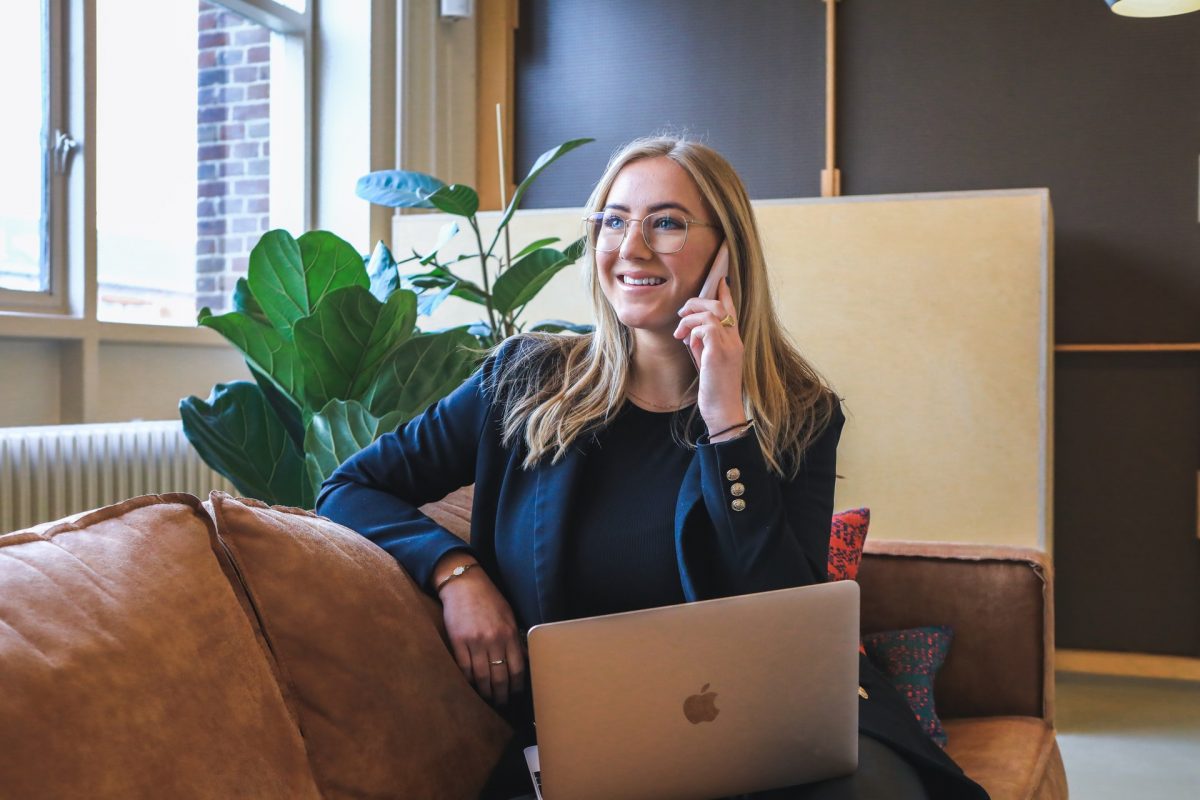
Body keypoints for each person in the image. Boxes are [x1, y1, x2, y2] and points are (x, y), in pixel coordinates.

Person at [316, 136, 989, 800]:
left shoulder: (799, 412)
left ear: (728, 252)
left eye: (665, 223)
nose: (631, 247)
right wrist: (455, 574)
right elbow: (348, 486)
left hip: (770, 730)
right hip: (591, 745)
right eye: (613, 220)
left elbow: (787, 619)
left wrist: (727, 423)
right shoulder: (523, 381)